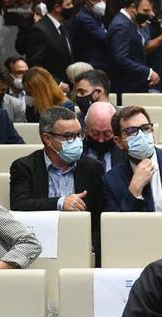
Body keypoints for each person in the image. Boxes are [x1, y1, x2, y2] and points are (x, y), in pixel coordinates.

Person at [8, 107, 104, 253]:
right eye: (69, 136)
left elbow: (100, 217)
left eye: (79, 134)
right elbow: (20, 205)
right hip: (37, 244)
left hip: (81, 245)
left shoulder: (93, 168)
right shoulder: (24, 167)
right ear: (48, 139)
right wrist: (60, 202)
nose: (77, 141)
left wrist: (92, 246)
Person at [108, 0, 159, 93]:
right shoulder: (121, 26)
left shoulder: (130, 23)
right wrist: (148, 72)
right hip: (126, 86)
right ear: (132, 8)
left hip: (134, 84)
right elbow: (121, 59)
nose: (149, 14)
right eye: (145, 11)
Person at [23, 0, 76, 84]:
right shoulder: (39, 30)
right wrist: (58, 84)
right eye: (68, 4)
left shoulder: (63, 26)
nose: (72, 6)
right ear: (57, 7)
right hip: (51, 90)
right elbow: (36, 67)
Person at [70, 0, 111, 72]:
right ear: (87, 2)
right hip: (91, 66)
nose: (102, 3)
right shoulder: (84, 18)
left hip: (100, 63)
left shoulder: (95, 14)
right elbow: (105, 37)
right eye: (97, 0)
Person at [83, 100, 127, 172]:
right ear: (86, 128)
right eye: (95, 134)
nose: (101, 140)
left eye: (107, 134)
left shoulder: (126, 151)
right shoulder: (76, 151)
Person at [2, 55, 30, 121]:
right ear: (9, 74)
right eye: (19, 73)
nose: (24, 76)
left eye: (26, 72)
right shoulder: (2, 93)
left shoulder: (33, 93)